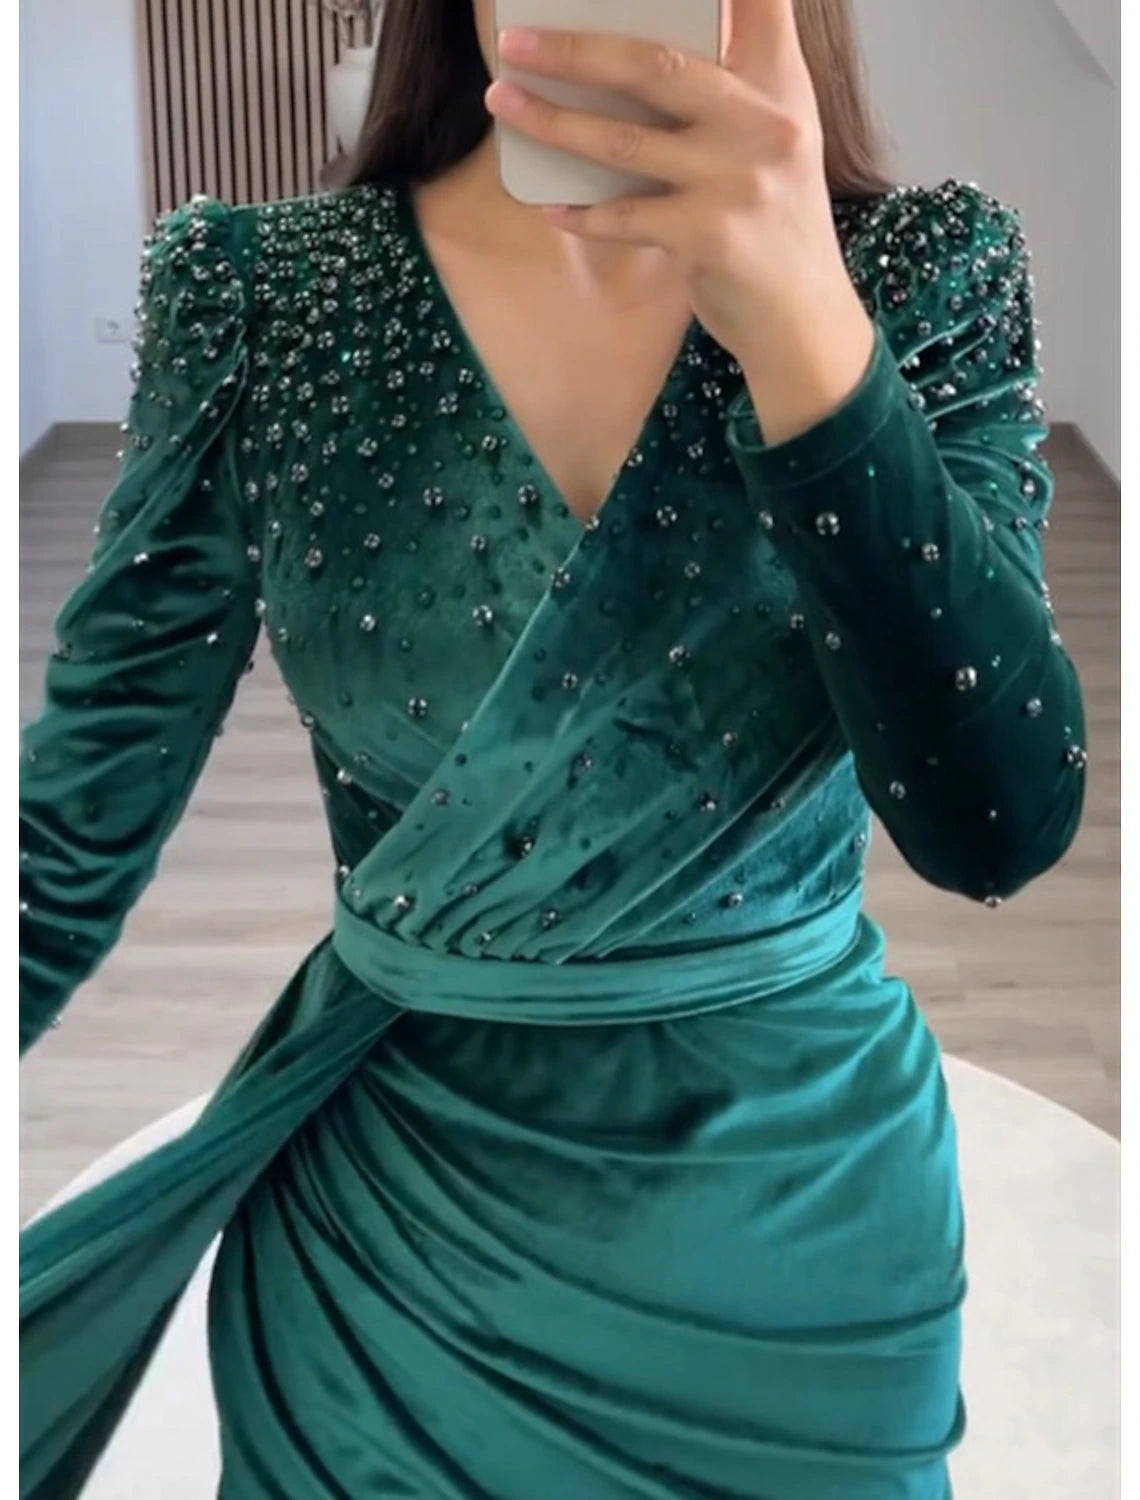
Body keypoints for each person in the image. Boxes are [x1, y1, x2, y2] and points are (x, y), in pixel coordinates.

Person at [19, 1, 1087, 1496]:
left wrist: (803, 323)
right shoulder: (259, 295)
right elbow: (59, 850)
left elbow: (997, 825)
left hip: (797, 1269)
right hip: (388, 1273)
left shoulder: (923, 270)